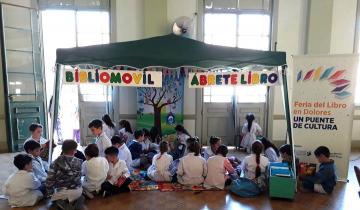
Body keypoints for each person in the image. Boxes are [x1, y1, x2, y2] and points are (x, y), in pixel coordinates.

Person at [46, 140, 84, 210]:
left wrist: (49, 193)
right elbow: (80, 176)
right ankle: (76, 201)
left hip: (62, 192)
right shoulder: (79, 161)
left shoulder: (55, 162)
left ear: (62, 149)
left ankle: (63, 204)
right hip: (78, 190)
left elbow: (49, 180)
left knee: (52, 200)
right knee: (79, 195)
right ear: (74, 151)